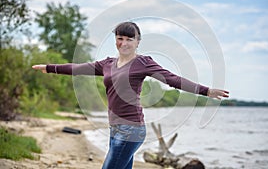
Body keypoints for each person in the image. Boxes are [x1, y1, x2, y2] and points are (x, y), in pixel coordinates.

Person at [32, 21, 229, 169]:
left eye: (129, 39)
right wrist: (50, 68)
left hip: (131, 130)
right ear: (116, 39)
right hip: (115, 129)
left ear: (137, 42)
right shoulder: (107, 64)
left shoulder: (143, 63)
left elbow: (172, 79)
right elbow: (79, 68)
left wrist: (206, 91)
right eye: (120, 38)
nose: (124, 43)